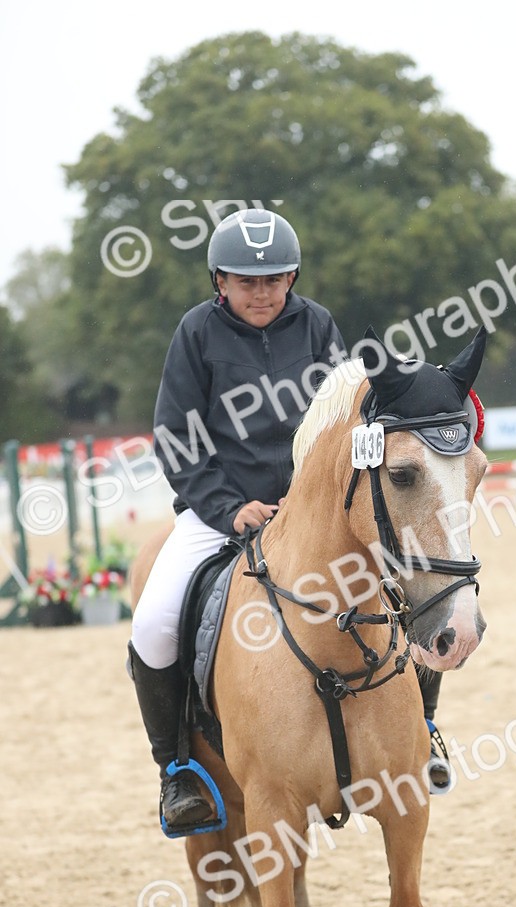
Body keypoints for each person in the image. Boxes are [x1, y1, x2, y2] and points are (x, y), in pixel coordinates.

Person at [128, 207, 450, 835]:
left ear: (292, 277)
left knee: (417, 588)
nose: (261, 292)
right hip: (219, 514)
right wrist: (227, 506)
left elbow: (347, 417)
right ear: (218, 281)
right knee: (155, 623)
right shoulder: (196, 333)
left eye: (274, 279)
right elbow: (175, 436)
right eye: (246, 281)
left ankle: (424, 732)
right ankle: (177, 772)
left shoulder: (318, 327)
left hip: (311, 514)